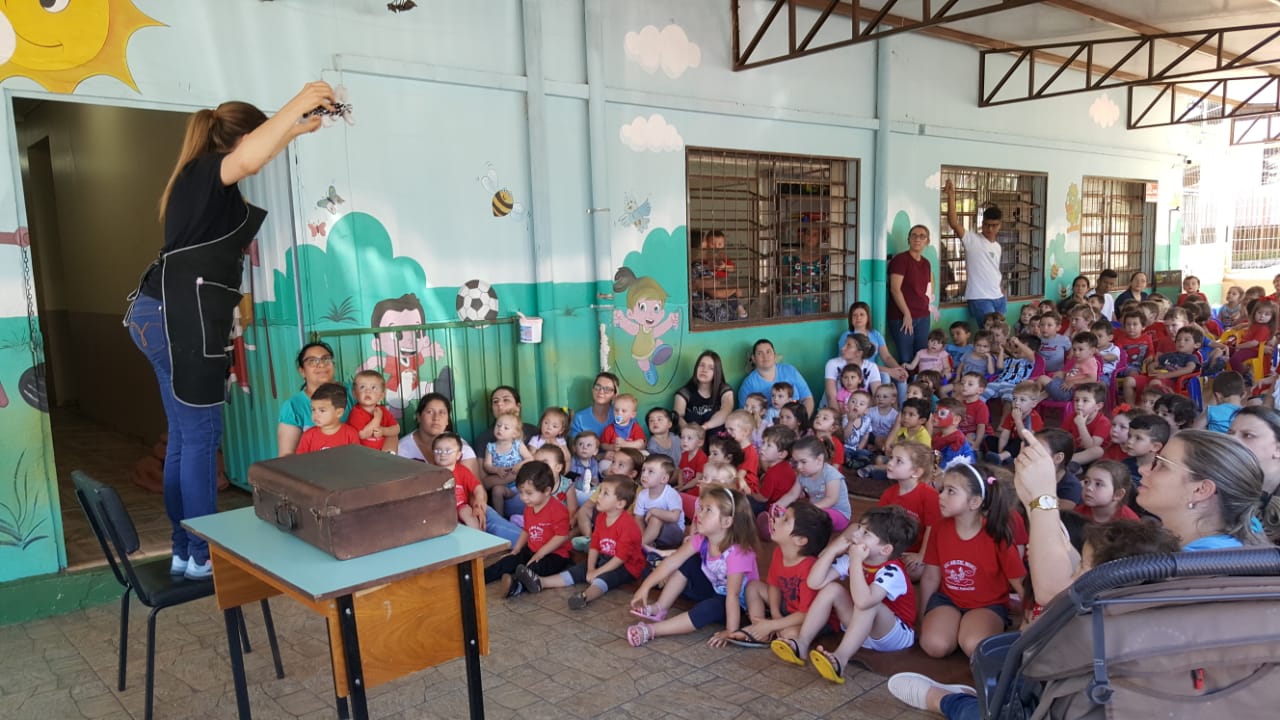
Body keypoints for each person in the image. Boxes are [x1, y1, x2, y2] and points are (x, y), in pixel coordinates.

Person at [123, 83, 334, 581]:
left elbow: (255, 153)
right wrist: (301, 99)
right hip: (178, 318)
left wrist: (295, 129)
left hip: (162, 315)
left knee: (185, 437)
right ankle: (202, 554)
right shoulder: (204, 173)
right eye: (260, 137)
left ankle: (184, 549)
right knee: (200, 437)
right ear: (241, 139)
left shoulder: (201, 182)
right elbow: (251, 156)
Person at [774, 506, 919, 684]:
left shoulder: (892, 571)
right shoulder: (851, 559)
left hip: (892, 636)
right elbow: (815, 582)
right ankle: (801, 643)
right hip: (860, 630)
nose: (855, 535)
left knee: (869, 605)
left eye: (865, 533)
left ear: (885, 550)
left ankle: (840, 659)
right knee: (831, 589)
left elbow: (863, 601)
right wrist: (832, 551)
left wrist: (856, 560)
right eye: (859, 528)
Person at [626, 487, 760, 647]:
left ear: (726, 522)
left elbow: (733, 594)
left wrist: (731, 630)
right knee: (688, 561)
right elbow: (671, 561)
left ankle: (652, 630)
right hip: (715, 590)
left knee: (709, 607)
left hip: (737, 606)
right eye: (701, 508)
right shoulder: (701, 539)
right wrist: (645, 587)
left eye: (708, 510)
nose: (699, 514)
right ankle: (659, 608)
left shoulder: (737, 553)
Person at [918, 462, 1025, 659]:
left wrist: (1029, 621)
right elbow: (931, 576)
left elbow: (1019, 582)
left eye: (951, 491)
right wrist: (922, 617)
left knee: (974, 646)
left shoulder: (997, 534)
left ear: (974, 502)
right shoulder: (939, 528)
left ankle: (974, 628)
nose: (940, 496)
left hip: (988, 604)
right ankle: (955, 628)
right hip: (948, 600)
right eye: (942, 489)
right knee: (934, 645)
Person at [516, 476, 646, 610]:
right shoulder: (601, 518)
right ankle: (542, 582)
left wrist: (597, 572)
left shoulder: (628, 526)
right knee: (578, 570)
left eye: (605, 493)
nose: (599, 496)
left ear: (620, 504)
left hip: (627, 565)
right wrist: (590, 569)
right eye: (600, 491)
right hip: (605, 557)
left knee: (606, 577)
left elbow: (620, 558)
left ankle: (585, 597)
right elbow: (594, 545)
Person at [1136, 429, 1269, 549]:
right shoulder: (1241, 544)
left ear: (1201, 490)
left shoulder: (1191, 565)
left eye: (1162, 465)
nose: (1142, 469)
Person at [485, 462, 573, 594]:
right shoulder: (529, 507)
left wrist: (541, 553)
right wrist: (516, 549)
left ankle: (516, 586)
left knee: (534, 568)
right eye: (521, 492)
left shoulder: (558, 510)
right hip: (532, 549)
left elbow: (562, 536)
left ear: (547, 491)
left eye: (529, 493)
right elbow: (526, 530)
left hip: (555, 555)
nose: (523, 498)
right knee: (508, 561)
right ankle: (481, 577)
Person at [432, 432, 521, 548]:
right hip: (442, 511)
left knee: (470, 516)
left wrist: (479, 499)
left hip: (461, 506)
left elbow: (477, 487)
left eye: (448, 451)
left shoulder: (462, 471)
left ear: (458, 455)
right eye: (438, 451)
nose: (442, 454)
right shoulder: (431, 473)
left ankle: (480, 542)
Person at [944, 179, 1005, 323]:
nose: (990, 229)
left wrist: (1002, 291)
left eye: (994, 225)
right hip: (980, 298)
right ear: (982, 223)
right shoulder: (972, 240)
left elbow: (994, 270)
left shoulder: (998, 246)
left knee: (1001, 333)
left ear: (1000, 225)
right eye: (987, 225)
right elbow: (953, 222)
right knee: (990, 333)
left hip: (999, 297)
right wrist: (951, 195)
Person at [277, 342, 343, 456]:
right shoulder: (294, 406)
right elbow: (286, 455)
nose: (321, 364)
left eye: (326, 359)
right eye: (312, 361)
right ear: (302, 371)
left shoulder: (354, 393)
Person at [773, 436, 852, 532]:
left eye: (803, 462)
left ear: (819, 460)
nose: (799, 467)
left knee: (812, 517)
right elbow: (792, 494)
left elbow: (831, 499)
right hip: (816, 511)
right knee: (798, 514)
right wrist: (778, 505)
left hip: (839, 515)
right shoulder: (802, 475)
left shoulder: (831, 475)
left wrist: (809, 509)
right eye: (796, 462)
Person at [397, 393, 482, 481]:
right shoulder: (401, 448)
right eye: (430, 412)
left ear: (447, 420)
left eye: (442, 412)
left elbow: (475, 486)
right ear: (418, 417)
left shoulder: (461, 447)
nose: (436, 418)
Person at [886, 224, 937, 365]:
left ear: (927, 241)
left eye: (922, 236)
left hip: (922, 315)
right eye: (914, 235)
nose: (917, 239)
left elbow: (927, 288)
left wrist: (929, 306)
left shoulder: (926, 263)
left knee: (922, 356)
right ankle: (906, 380)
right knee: (906, 358)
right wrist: (906, 313)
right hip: (902, 317)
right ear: (908, 239)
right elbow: (895, 289)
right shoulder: (901, 260)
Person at [1228, 406, 1280, 542]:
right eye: (1230, 433)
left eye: (1248, 435)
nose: (1232, 441)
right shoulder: (1222, 489)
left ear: (1278, 449)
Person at [673, 350, 735, 445]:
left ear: (717, 372)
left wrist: (703, 428)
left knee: (711, 416)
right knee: (692, 416)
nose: (704, 370)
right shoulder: (684, 392)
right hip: (691, 439)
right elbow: (678, 417)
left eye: (711, 368)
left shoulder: (724, 389)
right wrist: (692, 432)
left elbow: (726, 411)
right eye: (701, 365)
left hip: (715, 438)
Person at [739, 339, 814, 416]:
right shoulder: (748, 385)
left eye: (768, 352)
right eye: (760, 353)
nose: (765, 356)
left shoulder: (790, 370)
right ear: (753, 358)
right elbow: (744, 415)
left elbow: (807, 399)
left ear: (774, 355)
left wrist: (803, 421)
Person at [482, 412, 534, 517]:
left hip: (520, 483)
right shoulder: (491, 447)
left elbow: (530, 458)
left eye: (506, 428)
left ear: (515, 434)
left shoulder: (517, 445)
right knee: (496, 490)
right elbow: (487, 465)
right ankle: (500, 517)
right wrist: (496, 470)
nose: (500, 429)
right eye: (498, 425)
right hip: (503, 486)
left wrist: (520, 464)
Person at [781, 217, 830, 316]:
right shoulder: (790, 256)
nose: (810, 238)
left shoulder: (825, 259)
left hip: (812, 306)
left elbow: (826, 283)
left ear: (820, 238)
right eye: (808, 234)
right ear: (803, 236)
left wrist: (823, 301)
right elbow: (783, 279)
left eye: (815, 235)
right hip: (789, 303)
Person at [635, 455, 685, 551]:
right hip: (651, 533)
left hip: (674, 535)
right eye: (643, 470)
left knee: (656, 518)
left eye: (650, 471)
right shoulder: (642, 494)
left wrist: (654, 511)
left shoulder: (671, 494)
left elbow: (675, 517)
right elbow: (639, 518)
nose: (644, 475)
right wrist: (644, 535)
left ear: (664, 479)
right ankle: (647, 544)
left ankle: (639, 547)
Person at [295, 382, 362, 453]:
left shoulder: (350, 434)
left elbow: (356, 457)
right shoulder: (308, 436)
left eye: (322, 410)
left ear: (339, 413)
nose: (316, 414)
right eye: (313, 409)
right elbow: (301, 459)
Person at [348, 370, 399, 452]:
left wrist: (383, 431)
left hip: (381, 452)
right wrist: (377, 419)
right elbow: (363, 435)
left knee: (393, 437)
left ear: (381, 396)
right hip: (362, 453)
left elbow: (396, 428)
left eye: (373, 388)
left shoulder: (383, 410)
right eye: (362, 387)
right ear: (355, 394)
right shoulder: (356, 412)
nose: (368, 391)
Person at [473, 386, 538, 449]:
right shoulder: (484, 439)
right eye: (495, 401)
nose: (499, 404)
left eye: (506, 400)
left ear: (518, 407)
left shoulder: (534, 432)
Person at [569, 371, 619, 438]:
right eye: (598, 387)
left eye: (607, 389)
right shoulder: (579, 418)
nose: (601, 391)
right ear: (592, 390)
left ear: (614, 395)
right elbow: (574, 444)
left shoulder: (621, 415)